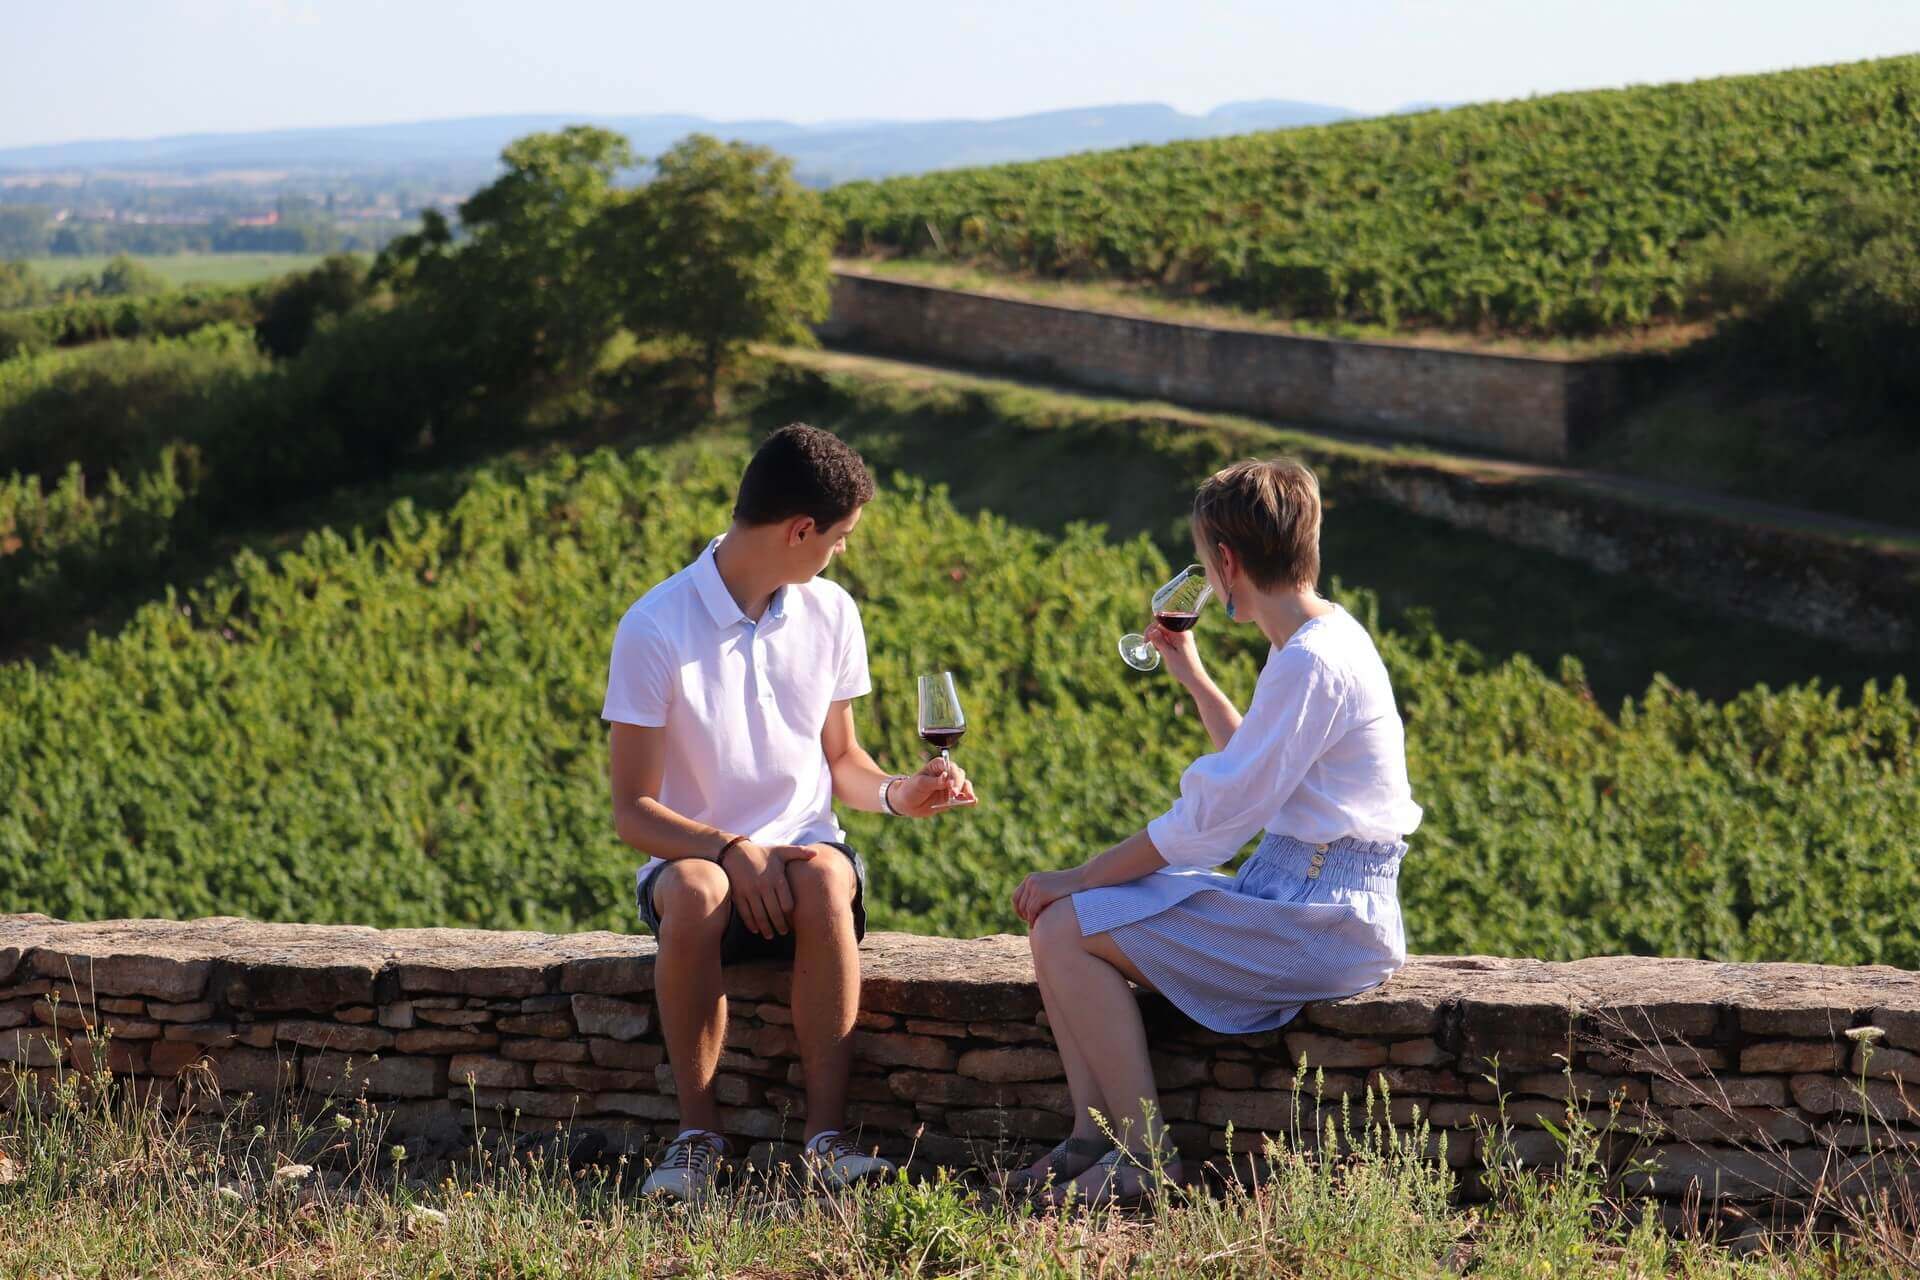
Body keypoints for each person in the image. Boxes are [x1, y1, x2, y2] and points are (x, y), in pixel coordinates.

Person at [1008, 457, 1421, 1207]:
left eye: (1204, 562)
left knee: (1066, 923)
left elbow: (1215, 822)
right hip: (1305, 893)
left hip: (1324, 918)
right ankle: (1088, 1137)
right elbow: (1256, 775)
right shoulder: (1316, 642)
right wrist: (1197, 681)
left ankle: (1141, 1159)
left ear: (1225, 563)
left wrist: (1079, 874)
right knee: (1062, 925)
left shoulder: (1311, 663)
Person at [603, 423, 977, 1202]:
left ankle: (825, 1143)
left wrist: (899, 793)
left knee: (824, 878)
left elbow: (843, 761)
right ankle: (698, 1139)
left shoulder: (831, 613)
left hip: (802, 862)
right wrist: (730, 847)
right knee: (700, 889)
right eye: (838, 538)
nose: (841, 553)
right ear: (800, 529)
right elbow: (633, 814)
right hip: (696, 870)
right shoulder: (653, 627)